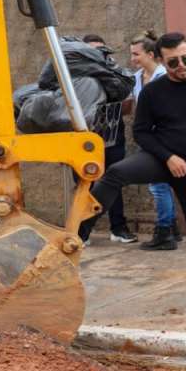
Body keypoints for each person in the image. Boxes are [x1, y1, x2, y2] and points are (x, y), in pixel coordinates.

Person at [77, 32, 186, 303]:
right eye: (173, 62)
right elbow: (141, 132)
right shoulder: (153, 92)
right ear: (161, 61)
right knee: (115, 173)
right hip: (160, 159)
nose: (182, 66)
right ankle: (79, 235)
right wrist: (169, 157)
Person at [127, 31, 183, 251]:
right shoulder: (137, 78)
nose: (133, 59)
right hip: (148, 137)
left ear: (151, 54)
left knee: (158, 185)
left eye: (136, 54)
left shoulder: (163, 77)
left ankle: (164, 232)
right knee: (161, 185)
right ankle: (171, 229)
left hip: (162, 138)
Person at [79, 34, 138, 244]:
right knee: (84, 184)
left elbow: (129, 104)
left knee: (114, 181)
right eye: (92, 50)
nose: (98, 54)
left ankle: (118, 229)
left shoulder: (115, 73)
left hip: (113, 137)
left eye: (101, 50)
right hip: (84, 140)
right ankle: (81, 233)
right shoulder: (76, 76)